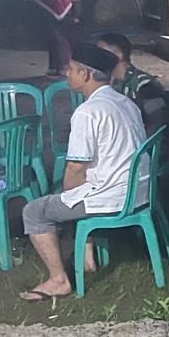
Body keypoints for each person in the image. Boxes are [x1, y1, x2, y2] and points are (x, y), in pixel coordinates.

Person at [19, 43, 147, 300]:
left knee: (35, 211)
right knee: (75, 191)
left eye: (71, 69)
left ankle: (58, 281)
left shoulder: (88, 112)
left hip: (113, 197)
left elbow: (76, 166)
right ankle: (87, 258)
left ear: (85, 74)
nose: (66, 73)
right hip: (140, 191)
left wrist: (66, 196)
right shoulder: (126, 103)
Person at [95, 32, 169, 135]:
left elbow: (157, 123)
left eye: (101, 53)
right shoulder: (112, 82)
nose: (96, 57)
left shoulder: (144, 84)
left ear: (118, 56)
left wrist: (138, 143)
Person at [25, 0, 80, 77]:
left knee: (63, 43)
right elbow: (35, 1)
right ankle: (54, 67)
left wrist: (76, 16)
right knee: (53, 42)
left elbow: (76, 2)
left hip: (66, 19)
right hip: (50, 20)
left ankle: (64, 67)